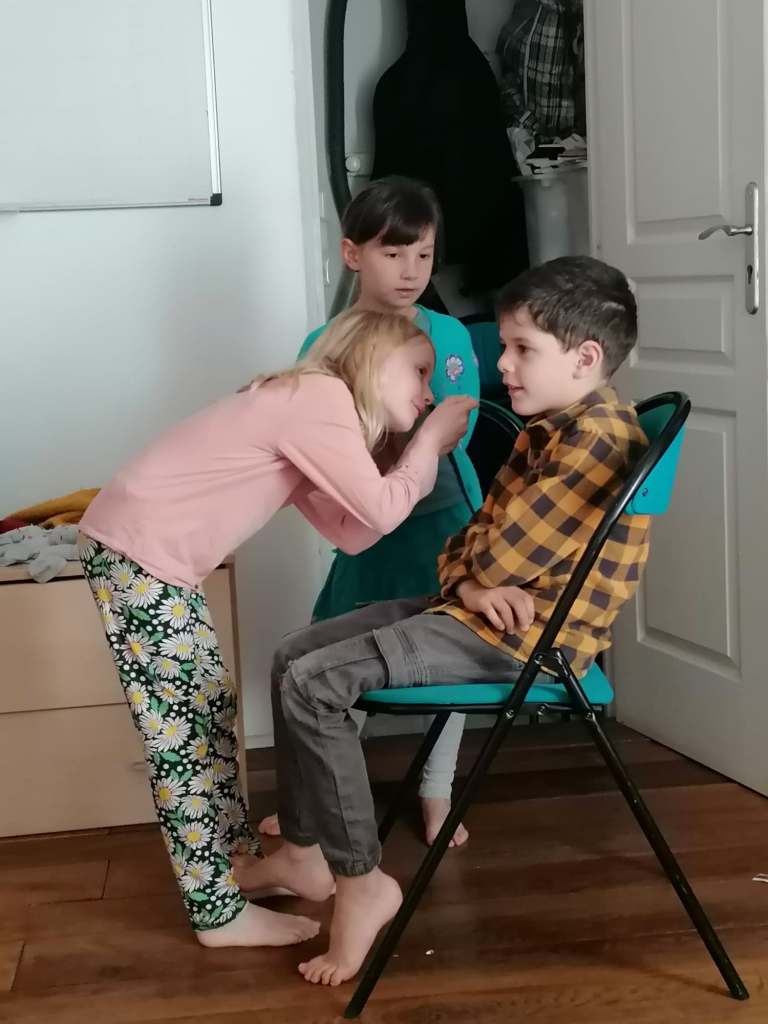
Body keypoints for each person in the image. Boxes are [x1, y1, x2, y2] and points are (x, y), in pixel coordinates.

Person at [235, 256, 652, 985]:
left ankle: (361, 883)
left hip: (525, 642)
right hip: (478, 615)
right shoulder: (546, 431)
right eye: (506, 345)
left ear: (585, 358)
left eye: (521, 348)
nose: (501, 363)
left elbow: (499, 553)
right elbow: (468, 543)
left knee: (314, 683)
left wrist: (480, 574)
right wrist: (474, 580)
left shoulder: (596, 440)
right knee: (294, 654)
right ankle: (302, 853)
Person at [77, 308, 475, 949]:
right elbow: (380, 510)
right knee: (182, 734)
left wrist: (410, 452)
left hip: (146, 555)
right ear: (372, 357)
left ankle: (243, 869)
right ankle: (215, 914)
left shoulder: (308, 409)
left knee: (208, 712)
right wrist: (426, 444)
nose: (429, 392)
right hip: (137, 554)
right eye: (419, 371)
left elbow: (354, 532)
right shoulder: (319, 399)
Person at [259, 176, 482, 849]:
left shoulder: (448, 336)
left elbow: (457, 428)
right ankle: (317, 799)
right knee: (329, 648)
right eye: (393, 253)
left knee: (446, 646)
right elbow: (317, 438)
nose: (411, 271)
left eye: (424, 255)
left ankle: (437, 791)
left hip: (442, 519)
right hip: (364, 518)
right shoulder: (325, 341)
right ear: (353, 254)